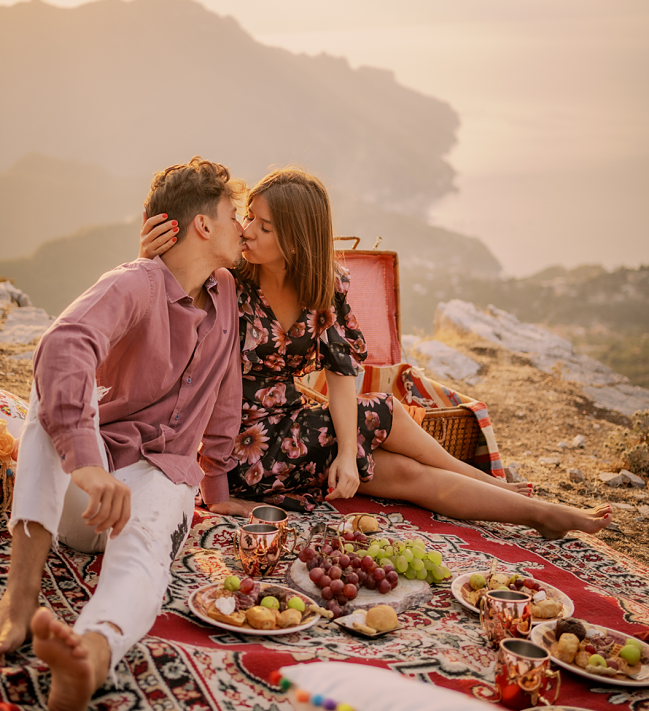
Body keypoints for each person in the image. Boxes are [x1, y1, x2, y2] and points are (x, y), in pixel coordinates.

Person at [140, 167, 612, 540]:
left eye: (263, 227)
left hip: (299, 427)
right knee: (385, 411)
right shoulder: (228, 281)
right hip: (242, 450)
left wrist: (347, 452)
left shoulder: (326, 286)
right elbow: (166, 302)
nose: (246, 232)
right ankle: (500, 487)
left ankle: (535, 513)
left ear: (297, 240)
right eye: (248, 218)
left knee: (405, 472)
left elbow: (343, 371)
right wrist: (149, 259)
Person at [0, 158, 246, 711]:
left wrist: (216, 485)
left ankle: (92, 653)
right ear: (201, 225)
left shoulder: (226, 294)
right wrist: (88, 461)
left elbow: (226, 396)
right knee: (48, 388)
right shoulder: (135, 281)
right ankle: (20, 596)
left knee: (148, 551)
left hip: (155, 489)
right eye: (232, 215)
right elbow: (63, 344)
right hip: (85, 497)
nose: (242, 226)